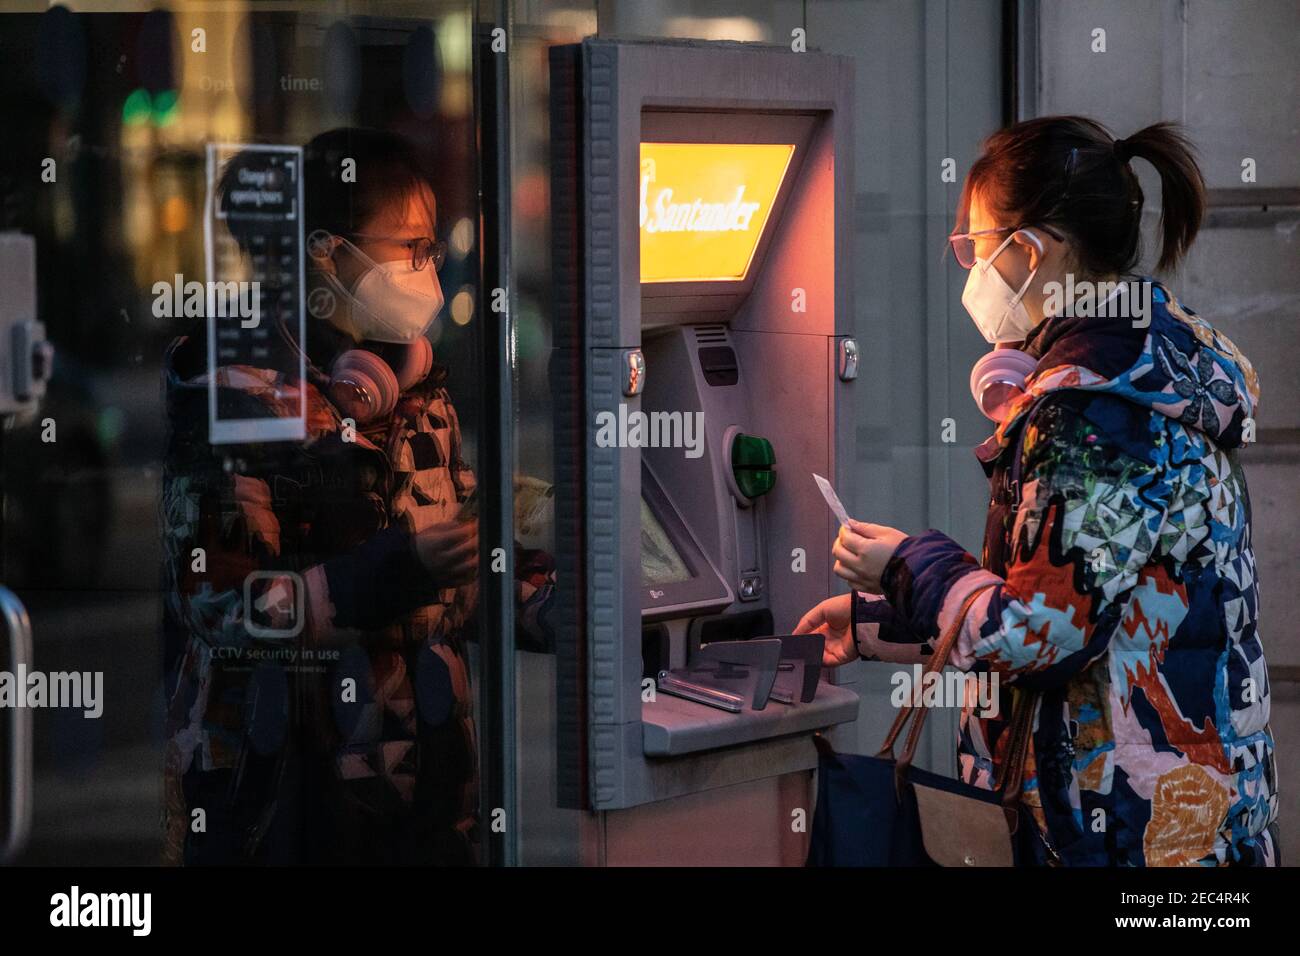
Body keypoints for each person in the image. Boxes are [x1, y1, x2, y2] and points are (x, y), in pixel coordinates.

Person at [797, 116, 1278, 866]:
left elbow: (1042, 636)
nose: (971, 269)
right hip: (1187, 823)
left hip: (1119, 834)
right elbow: (1088, 601)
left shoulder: (1091, 415)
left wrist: (906, 564)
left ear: (1029, 249)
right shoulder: (1153, 378)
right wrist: (876, 624)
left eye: (975, 246)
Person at [160, 128, 553, 865]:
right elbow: (219, 604)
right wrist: (392, 571)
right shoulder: (237, 393)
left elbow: (457, 573)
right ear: (326, 252)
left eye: (433, 249)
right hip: (281, 795)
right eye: (410, 247)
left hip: (424, 791)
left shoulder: (418, 389)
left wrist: (554, 599)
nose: (429, 271)